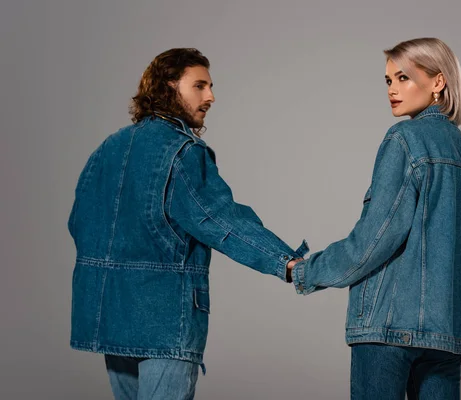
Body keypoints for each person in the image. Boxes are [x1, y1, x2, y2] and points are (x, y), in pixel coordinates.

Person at [68, 48, 306, 400]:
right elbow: (219, 219)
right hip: (163, 313)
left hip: (110, 310)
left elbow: (80, 222)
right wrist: (287, 263)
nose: (210, 96)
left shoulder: (109, 147)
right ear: (169, 87)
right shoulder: (181, 152)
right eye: (199, 86)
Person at [288, 37, 461, 400]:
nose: (393, 90)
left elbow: (372, 240)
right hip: (449, 334)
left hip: (389, 328)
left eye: (404, 78)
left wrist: (306, 271)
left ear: (438, 82)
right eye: (388, 81)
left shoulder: (405, 139)